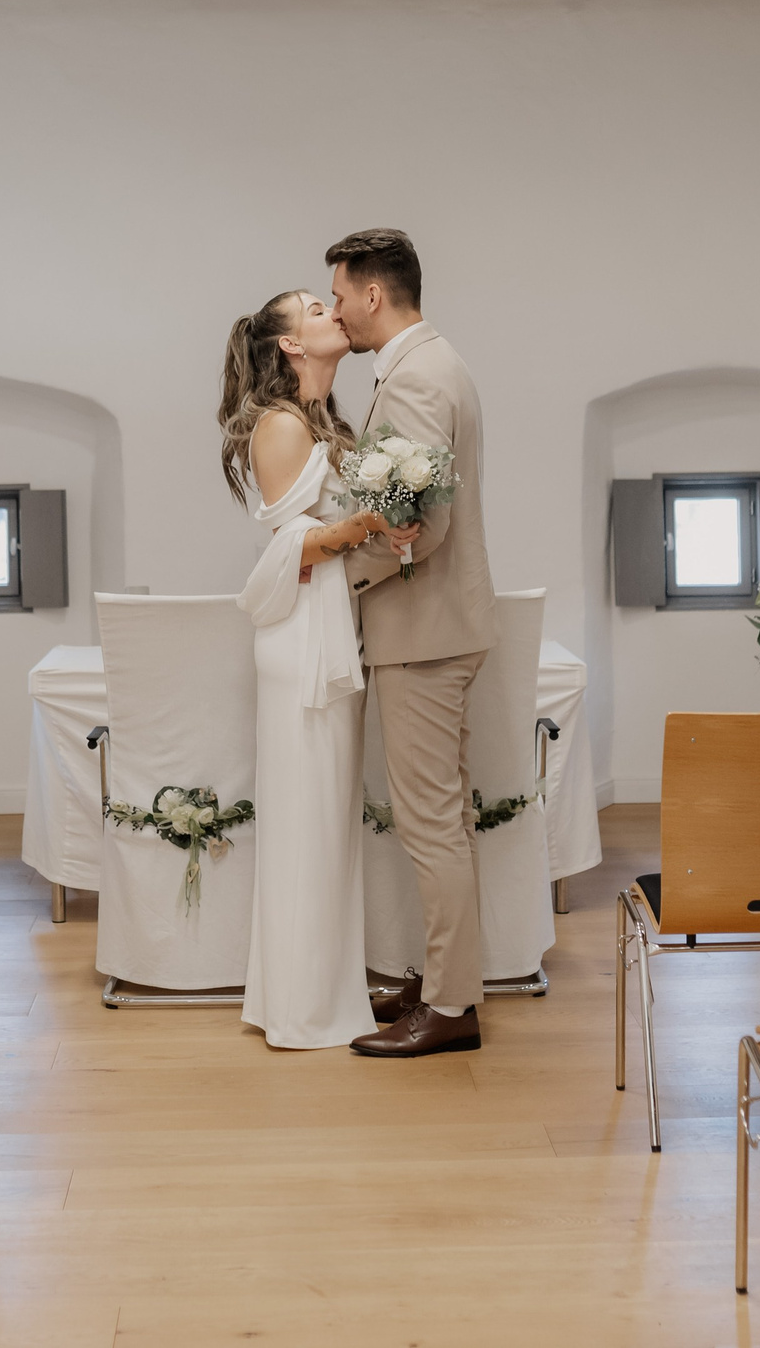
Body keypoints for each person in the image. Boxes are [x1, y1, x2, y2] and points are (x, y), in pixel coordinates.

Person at [325, 229, 498, 1059]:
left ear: (373, 293)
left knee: (431, 823)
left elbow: (418, 526)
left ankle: (453, 1005)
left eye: (339, 294)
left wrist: (334, 563)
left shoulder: (417, 376)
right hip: (438, 628)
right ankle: (441, 979)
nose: (335, 310)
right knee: (444, 818)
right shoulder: (434, 363)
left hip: (423, 631)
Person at [221, 288, 401, 1049]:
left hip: (327, 630)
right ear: (291, 345)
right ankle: (302, 1006)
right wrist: (365, 523)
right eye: (314, 310)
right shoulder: (282, 425)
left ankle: (322, 987)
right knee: (306, 822)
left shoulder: (326, 421)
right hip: (300, 643)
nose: (332, 313)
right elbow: (293, 537)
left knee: (327, 822)